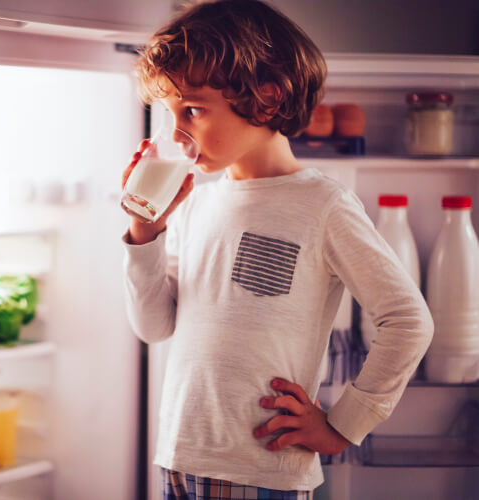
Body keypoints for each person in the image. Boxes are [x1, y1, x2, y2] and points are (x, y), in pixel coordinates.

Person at [120, 1, 433, 498]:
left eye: (193, 110)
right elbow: (153, 326)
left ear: (265, 99)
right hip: (180, 458)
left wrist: (342, 426)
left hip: (261, 471)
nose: (176, 132)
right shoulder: (198, 203)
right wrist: (144, 233)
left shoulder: (322, 204)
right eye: (170, 113)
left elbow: (408, 320)